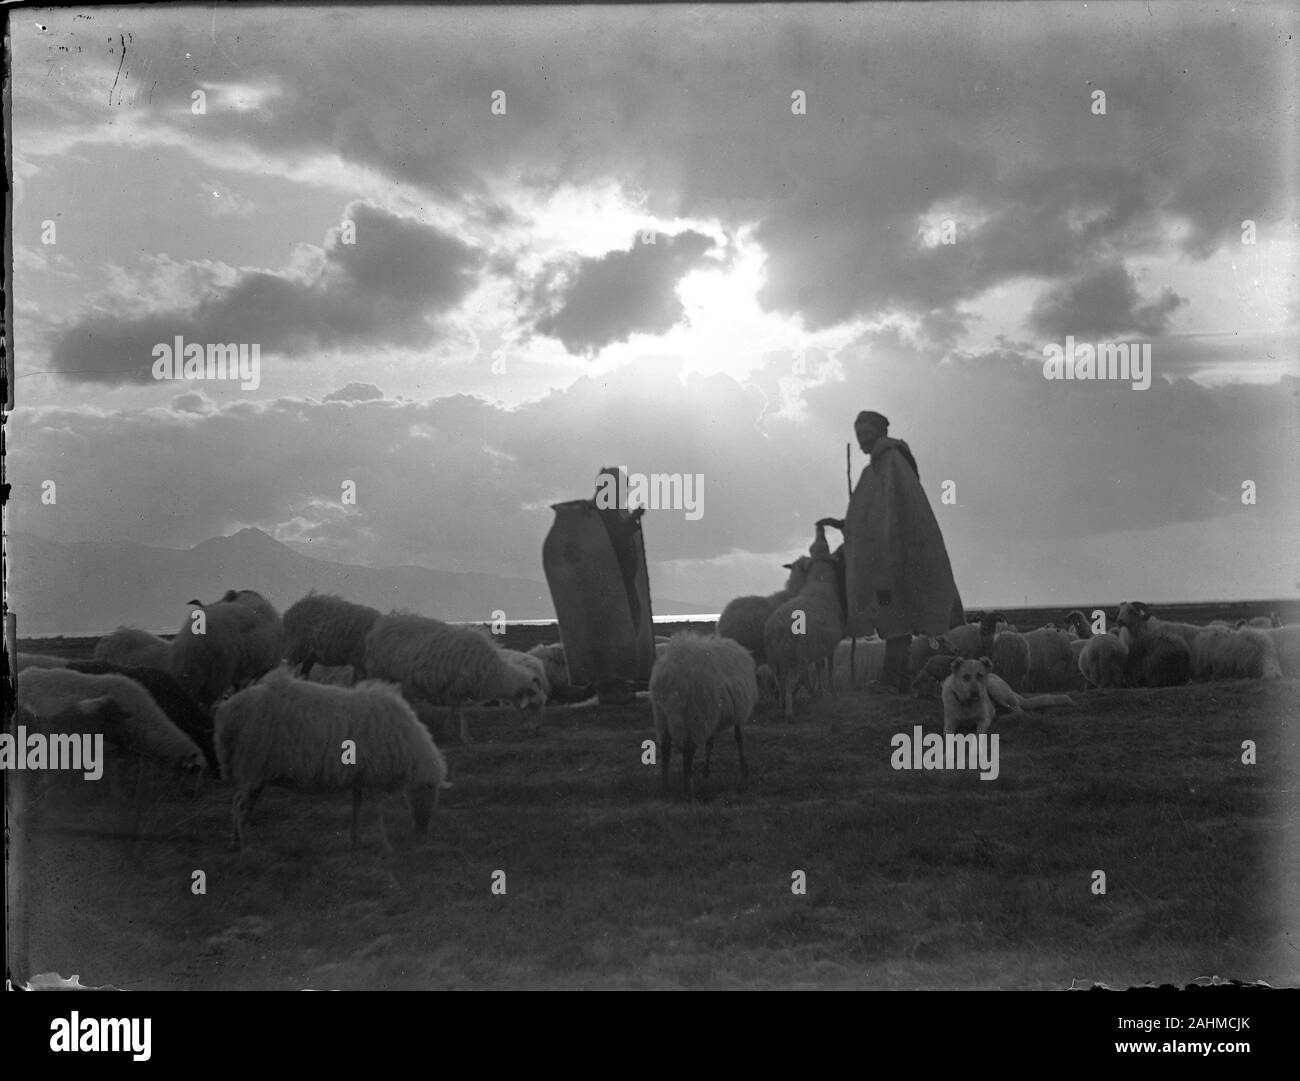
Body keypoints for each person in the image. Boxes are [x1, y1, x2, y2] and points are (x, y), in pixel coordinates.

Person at [822, 411, 964, 694]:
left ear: (880, 432)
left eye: (866, 433)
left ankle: (894, 680)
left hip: (896, 558)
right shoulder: (873, 470)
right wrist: (848, 527)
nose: (862, 440)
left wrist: (885, 547)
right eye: (858, 434)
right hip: (884, 559)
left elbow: (895, 513)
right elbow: (871, 515)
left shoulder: (892, 464)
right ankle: (898, 679)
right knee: (892, 618)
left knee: (896, 617)